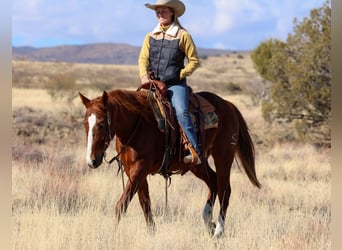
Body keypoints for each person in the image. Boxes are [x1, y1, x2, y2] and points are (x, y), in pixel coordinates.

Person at [139, 0, 201, 165]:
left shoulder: (183, 35)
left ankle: (193, 150)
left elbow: (194, 61)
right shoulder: (150, 36)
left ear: (172, 13)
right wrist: (144, 77)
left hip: (175, 85)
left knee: (181, 111)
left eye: (163, 11)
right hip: (152, 84)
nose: (160, 14)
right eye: (158, 11)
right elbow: (143, 60)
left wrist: (180, 74)